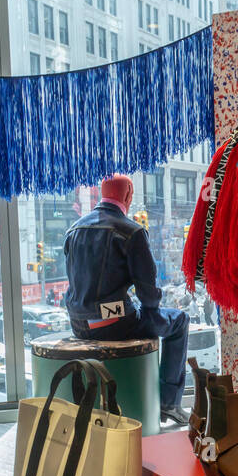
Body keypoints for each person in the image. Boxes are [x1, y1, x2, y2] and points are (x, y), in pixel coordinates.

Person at [63, 173, 190, 426]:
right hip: (114, 323)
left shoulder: (73, 229)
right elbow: (148, 293)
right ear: (129, 195)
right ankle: (169, 403)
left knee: (134, 312)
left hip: (78, 324)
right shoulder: (131, 232)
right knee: (180, 321)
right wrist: (149, 308)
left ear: (102, 193)